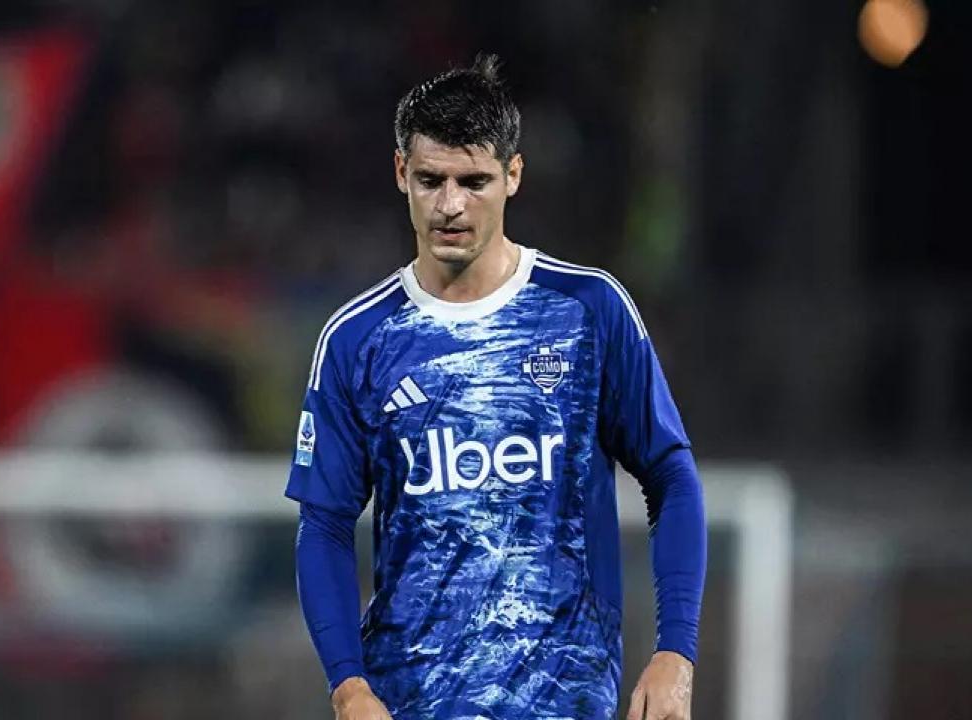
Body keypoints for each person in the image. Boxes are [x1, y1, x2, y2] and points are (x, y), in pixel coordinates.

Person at [286, 55, 706, 720]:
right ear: (400, 173)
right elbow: (325, 526)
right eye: (431, 180)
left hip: (567, 703)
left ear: (513, 175)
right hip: (411, 703)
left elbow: (671, 474)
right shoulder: (357, 339)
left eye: (474, 181)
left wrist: (675, 652)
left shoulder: (587, 310)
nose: (450, 205)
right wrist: (348, 686)